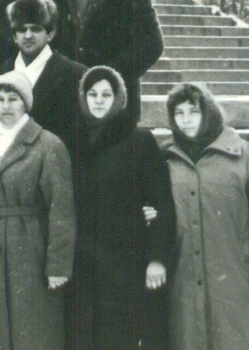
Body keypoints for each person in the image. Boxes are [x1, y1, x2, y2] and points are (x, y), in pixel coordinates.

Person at [163, 83, 249, 350]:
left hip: (238, 273)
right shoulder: (165, 157)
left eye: (193, 112)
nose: (185, 120)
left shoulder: (245, 154)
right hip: (185, 274)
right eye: (179, 113)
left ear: (207, 112)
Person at [0, 70, 76, 350]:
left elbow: (61, 210)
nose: (6, 106)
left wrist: (58, 266)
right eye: (0, 99)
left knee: (33, 330)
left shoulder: (48, 144)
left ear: (25, 103)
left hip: (32, 250)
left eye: (13, 99)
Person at [71, 66, 174, 350]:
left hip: (125, 261)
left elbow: (162, 202)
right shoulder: (74, 140)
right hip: (83, 261)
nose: (99, 100)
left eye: (106, 93)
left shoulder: (139, 139)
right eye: (92, 94)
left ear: (118, 97)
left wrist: (157, 258)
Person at [0, 0, 87, 159]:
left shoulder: (74, 74)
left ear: (50, 34)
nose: (28, 35)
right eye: (21, 29)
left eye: (35, 29)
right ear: (13, 36)